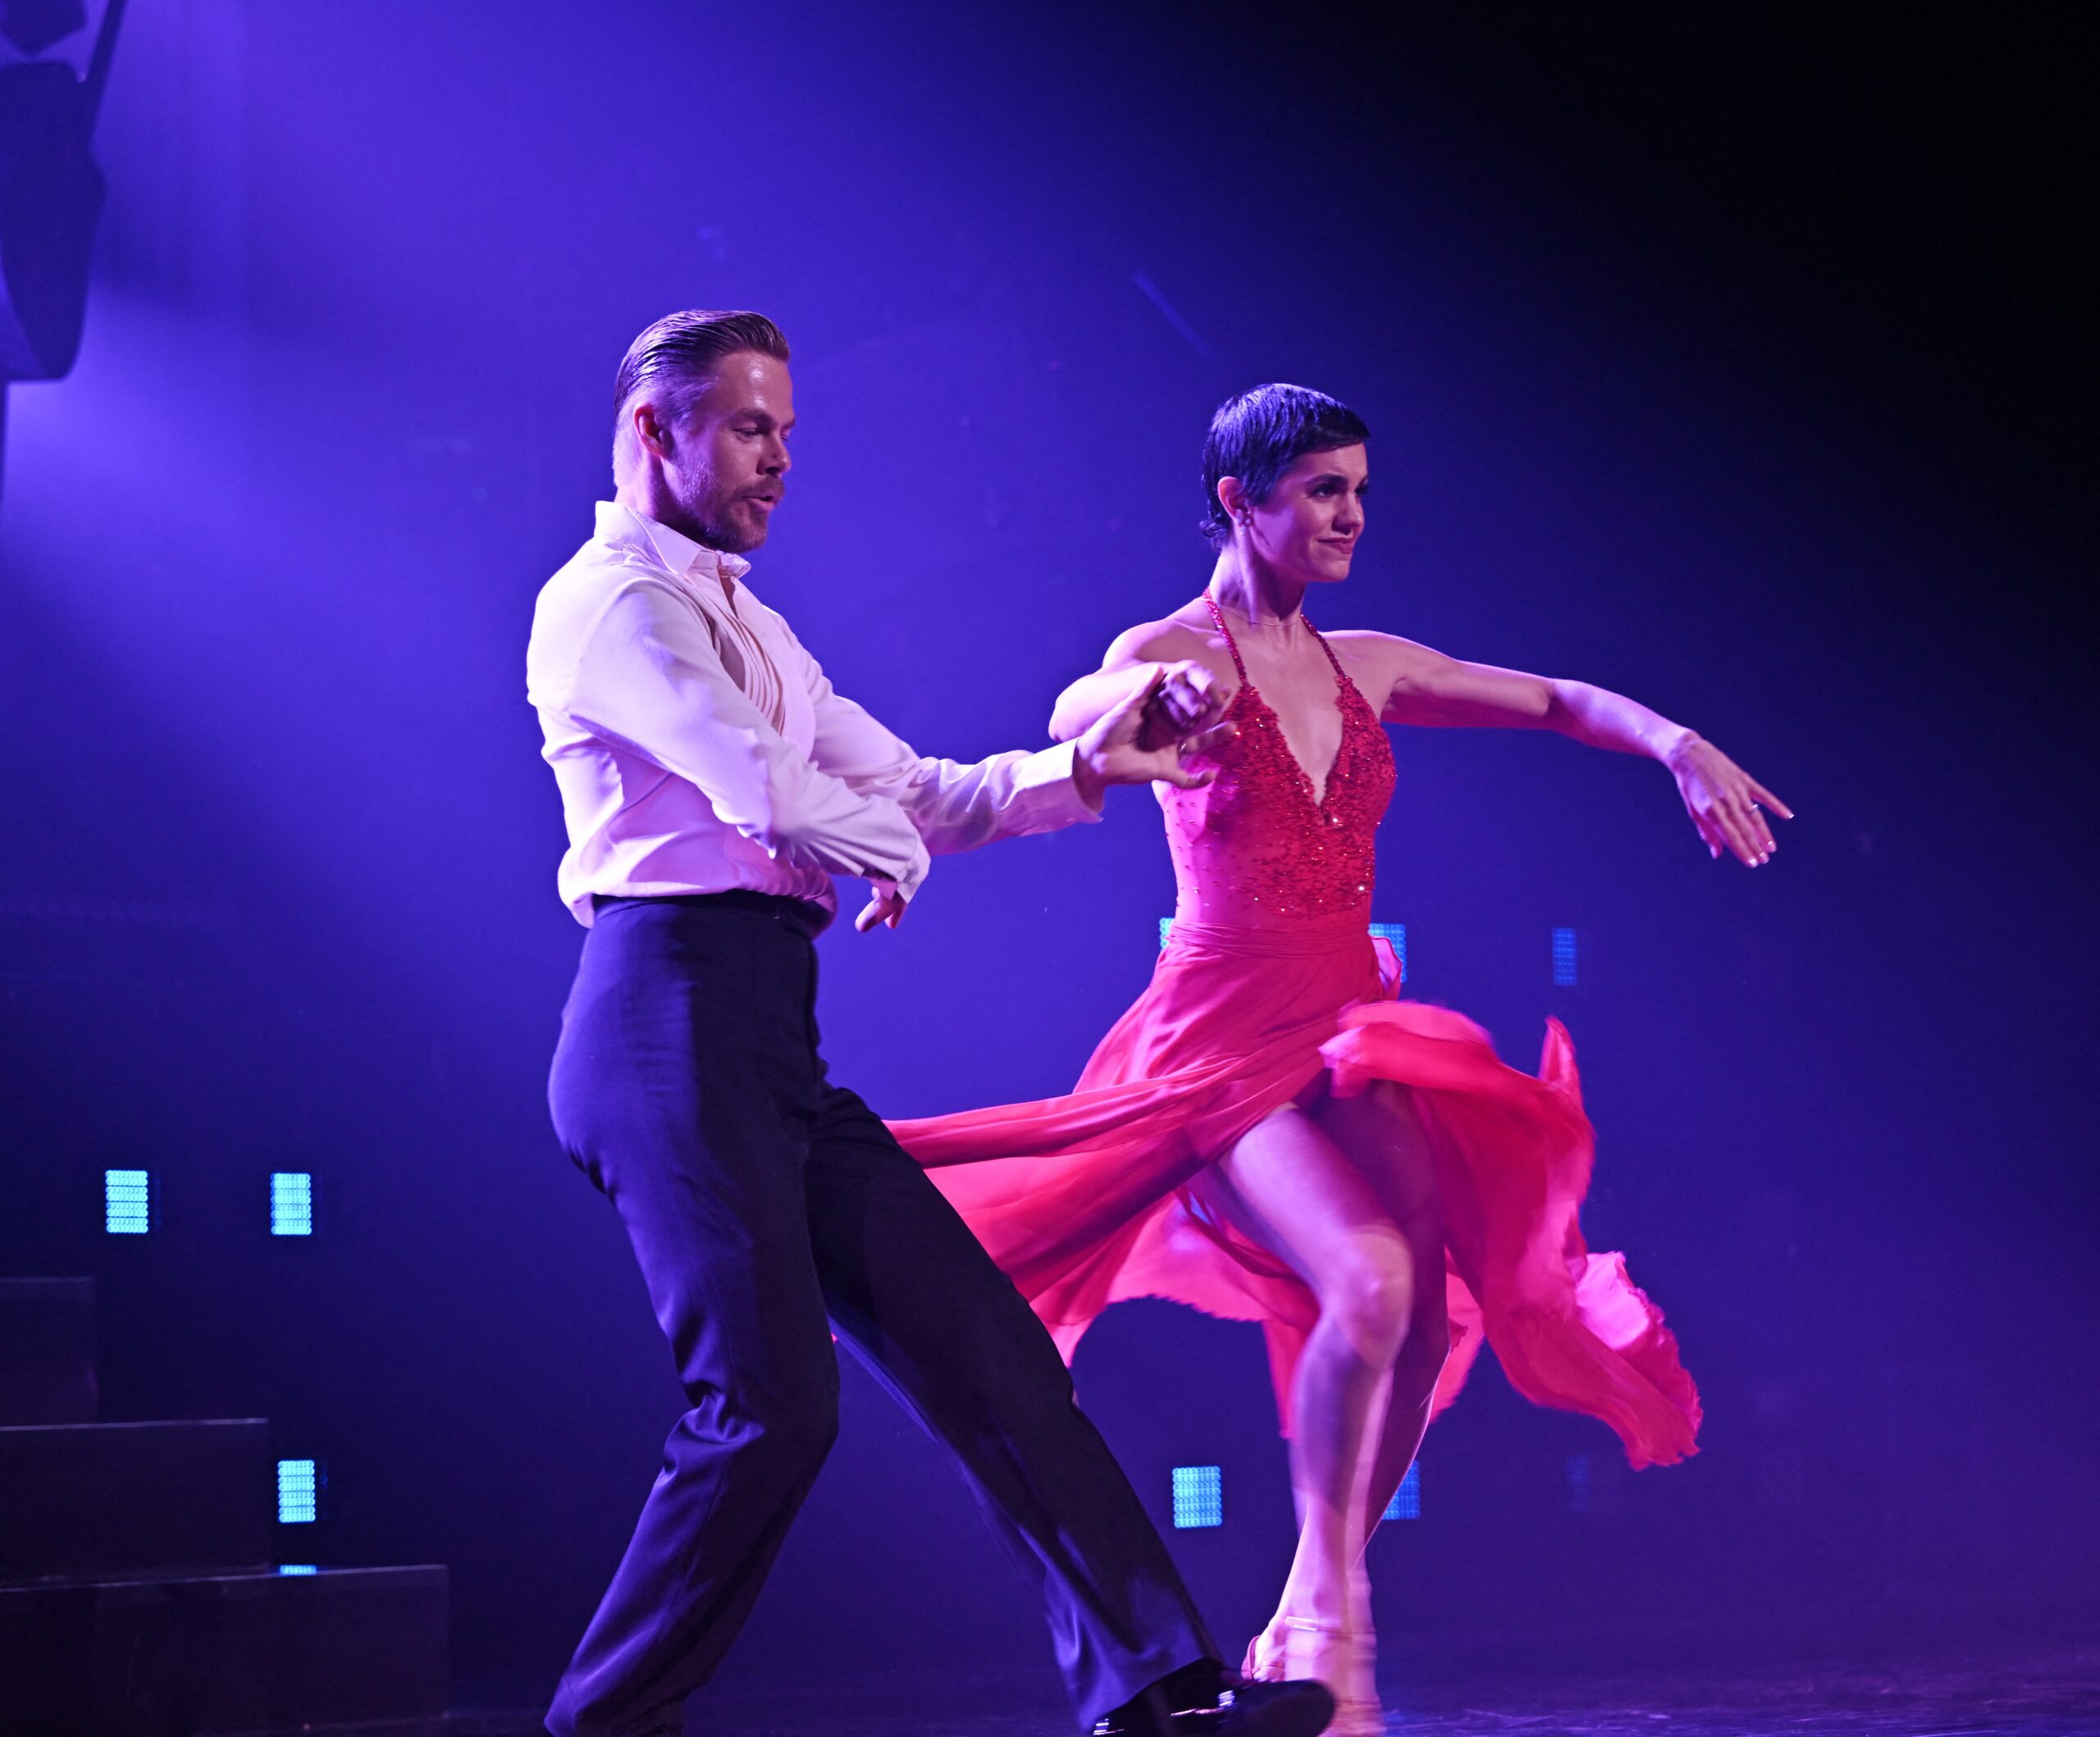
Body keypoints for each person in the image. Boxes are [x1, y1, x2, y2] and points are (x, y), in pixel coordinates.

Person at [890, 383, 1791, 1735]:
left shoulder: (1364, 661)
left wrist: (1674, 740)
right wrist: (1137, 701)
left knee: (1425, 1315)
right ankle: (1330, 1624)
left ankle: (1314, 1601)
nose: (1351, 514)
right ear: (1237, 503)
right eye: (1321, 489)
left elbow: (1548, 696)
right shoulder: (1170, 650)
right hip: (1223, 1040)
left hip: (1347, 1026)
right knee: (1365, 1277)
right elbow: (1094, 700)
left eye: (1359, 489)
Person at [525, 311, 1337, 1737]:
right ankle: (599, 1725)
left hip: (763, 1029)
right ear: (656, 430)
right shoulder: (610, 607)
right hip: (662, 1023)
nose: (781, 461)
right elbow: (763, 792)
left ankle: (1158, 1697)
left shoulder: (753, 623)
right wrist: (880, 851)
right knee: (770, 1408)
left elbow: (919, 787)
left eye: (786, 429)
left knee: (991, 1351)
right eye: (750, 428)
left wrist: (1087, 764)